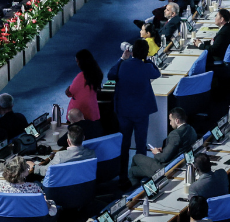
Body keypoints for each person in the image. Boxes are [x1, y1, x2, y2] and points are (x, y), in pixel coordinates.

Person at [109, 38, 162, 187]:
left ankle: (122, 177)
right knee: (140, 144)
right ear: (145, 53)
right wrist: (147, 59)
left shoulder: (123, 65)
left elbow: (110, 75)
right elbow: (157, 73)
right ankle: (140, 176)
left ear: (132, 51)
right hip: (141, 112)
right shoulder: (146, 67)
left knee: (124, 145)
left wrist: (122, 59)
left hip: (124, 111)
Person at [130, 107, 197, 183]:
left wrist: (157, 152)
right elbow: (179, 147)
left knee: (135, 160)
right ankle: (144, 176)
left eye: (170, 120)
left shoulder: (175, 134)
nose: (170, 123)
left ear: (177, 120)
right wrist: (164, 149)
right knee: (134, 168)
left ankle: (141, 185)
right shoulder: (191, 129)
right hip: (180, 163)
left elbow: (163, 158)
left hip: (165, 168)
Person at [66, 49, 102, 121]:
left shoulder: (81, 76)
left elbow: (70, 92)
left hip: (79, 115)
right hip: (92, 113)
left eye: (78, 62)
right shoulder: (97, 74)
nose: (78, 64)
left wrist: (68, 89)